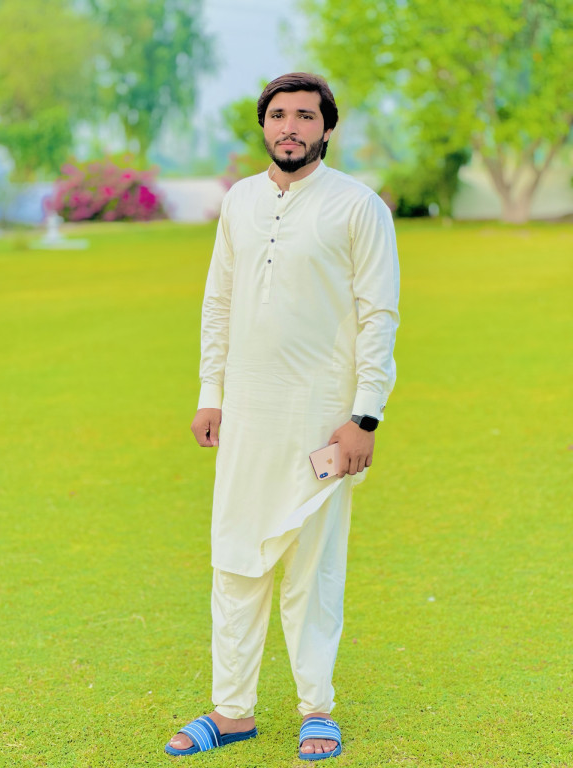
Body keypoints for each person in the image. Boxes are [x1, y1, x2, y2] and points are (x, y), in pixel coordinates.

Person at [165, 72, 400, 761]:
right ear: (264, 126)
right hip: (246, 416)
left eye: (304, 116)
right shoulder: (240, 201)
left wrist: (365, 417)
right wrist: (210, 393)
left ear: (327, 128)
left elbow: (379, 316)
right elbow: (218, 302)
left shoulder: (358, 206)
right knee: (236, 561)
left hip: (322, 421)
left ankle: (316, 709)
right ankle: (231, 711)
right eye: (278, 115)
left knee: (311, 571)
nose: (289, 127)